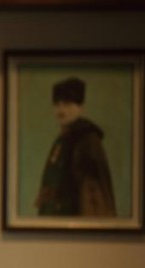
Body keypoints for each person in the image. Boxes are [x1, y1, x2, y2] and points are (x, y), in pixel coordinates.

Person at [34, 77, 116, 216]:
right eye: (57, 104)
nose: (61, 110)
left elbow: (93, 195)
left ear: (80, 108)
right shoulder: (62, 139)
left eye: (67, 104)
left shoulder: (87, 140)